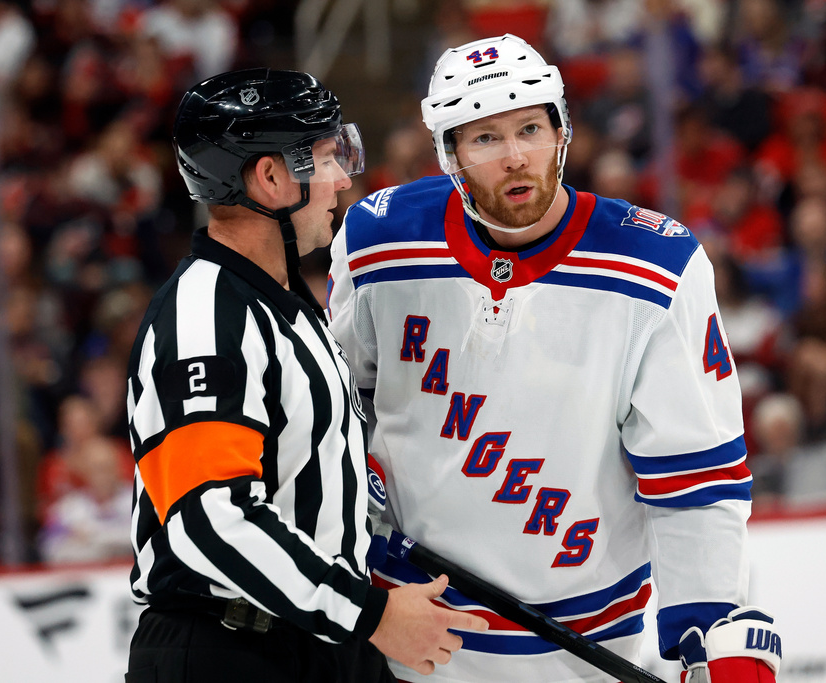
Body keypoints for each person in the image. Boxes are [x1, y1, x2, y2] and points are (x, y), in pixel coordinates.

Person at [328, 35, 782, 683]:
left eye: (530, 129)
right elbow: (335, 407)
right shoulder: (378, 241)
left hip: (584, 645)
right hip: (410, 629)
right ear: (450, 153)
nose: (515, 157)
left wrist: (707, 632)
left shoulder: (657, 267)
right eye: (485, 138)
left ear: (562, 130)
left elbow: (693, 473)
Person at [125, 68, 486, 683]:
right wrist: (370, 614)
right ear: (270, 178)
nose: (343, 178)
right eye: (325, 157)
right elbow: (210, 519)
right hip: (231, 655)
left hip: (318, 641)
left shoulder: (286, 304)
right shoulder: (205, 318)